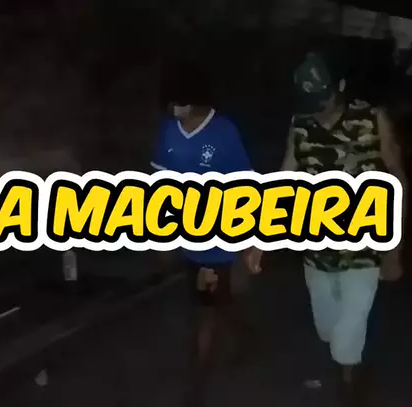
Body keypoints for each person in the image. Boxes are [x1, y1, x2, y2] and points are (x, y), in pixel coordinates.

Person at [245, 51, 408, 407]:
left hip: (364, 248)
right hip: (316, 250)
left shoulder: (373, 119)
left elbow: (396, 177)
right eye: (309, 101)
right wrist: (260, 240)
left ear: (341, 87)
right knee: (329, 330)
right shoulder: (300, 124)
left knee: (348, 335)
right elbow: (284, 179)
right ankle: (354, 366)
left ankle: (350, 389)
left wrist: (394, 248)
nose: (316, 109)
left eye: (322, 99)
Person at [151, 60, 259, 407]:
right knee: (216, 302)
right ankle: (245, 335)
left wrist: (251, 240)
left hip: (221, 236)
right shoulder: (168, 130)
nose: (175, 110)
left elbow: (245, 185)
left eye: (180, 103)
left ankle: (196, 389)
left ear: (197, 99)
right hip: (188, 237)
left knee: (205, 311)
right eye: (170, 104)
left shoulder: (223, 132)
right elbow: (161, 183)